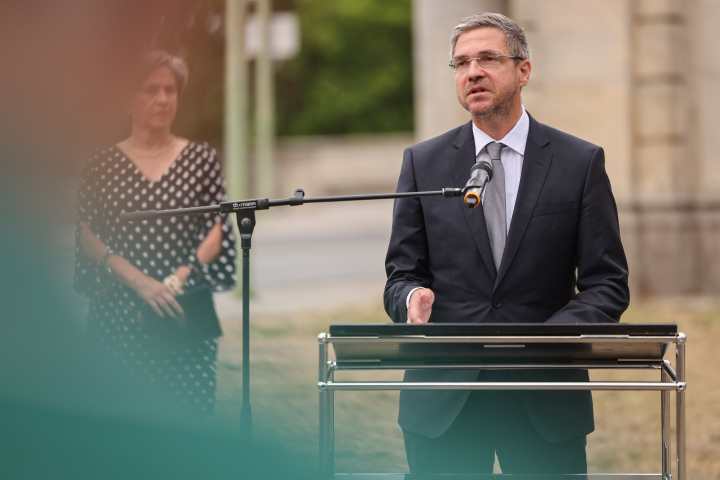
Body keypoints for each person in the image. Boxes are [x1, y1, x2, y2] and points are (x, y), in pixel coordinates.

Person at [384, 13, 630, 475]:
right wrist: (412, 299)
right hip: (444, 403)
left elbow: (608, 285)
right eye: (461, 63)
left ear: (523, 71)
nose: (472, 71)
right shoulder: (423, 163)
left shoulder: (579, 162)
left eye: (487, 58)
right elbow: (400, 276)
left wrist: (545, 340)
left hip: (544, 398)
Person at [74, 50, 236, 416]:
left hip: (182, 309)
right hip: (116, 314)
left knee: (187, 429)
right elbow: (85, 234)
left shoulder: (202, 158)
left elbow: (216, 230)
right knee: (115, 430)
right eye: (150, 89)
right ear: (127, 101)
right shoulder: (99, 164)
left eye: (170, 90)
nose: (163, 99)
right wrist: (141, 283)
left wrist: (171, 285)